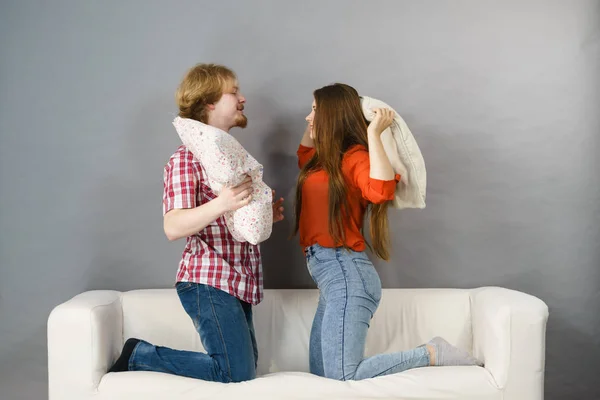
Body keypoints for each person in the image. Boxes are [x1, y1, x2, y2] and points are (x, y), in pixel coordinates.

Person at [108, 63, 284, 382]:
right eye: (233, 92)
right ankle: (138, 355)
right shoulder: (186, 158)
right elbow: (173, 226)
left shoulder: (230, 156)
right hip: (207, 279)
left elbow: (232, 222)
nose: (242, 98)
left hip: (237, 279)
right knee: (234, 372)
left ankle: (139, 355)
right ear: (209, 102)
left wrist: (262, 214)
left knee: (243, 371)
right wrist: (224, 203)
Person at [294, 83, 482, 381]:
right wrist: (321, 121)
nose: (307, 117)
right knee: (323, 376)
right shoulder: (323, 160)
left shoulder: (355, 157)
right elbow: (304, 152)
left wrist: (374, 132)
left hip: (346, 273)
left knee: (342, 374)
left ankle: (431, 353)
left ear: (333, 115)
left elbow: (380, 191)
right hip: (331, 277)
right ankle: (429, 354)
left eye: (315, 110)